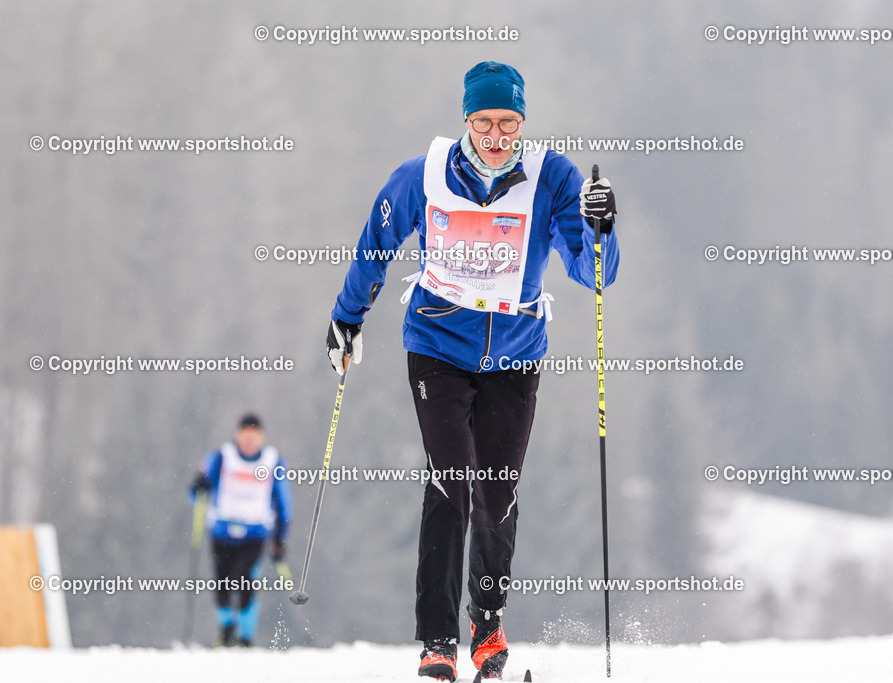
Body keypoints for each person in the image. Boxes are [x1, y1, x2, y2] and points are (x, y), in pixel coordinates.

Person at [327, 61, 620, 681]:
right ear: (465, 120)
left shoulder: (552, 177)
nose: (495, 135)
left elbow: (592, 272)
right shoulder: (424, 176)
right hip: (438, 345)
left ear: (522, 122)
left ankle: (486, 625)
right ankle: (437, 640)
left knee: (496, 490)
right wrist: (347, 317)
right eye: (483, 121)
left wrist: (602, 227)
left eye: (508, 122)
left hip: (515, 355)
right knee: (451, 480)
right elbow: (374, 244)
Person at [190, 414, 292, 647]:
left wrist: (280, 536)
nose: (248, 442)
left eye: (253, 437)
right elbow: (196, 494)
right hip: (221, 532)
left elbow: (283, 501)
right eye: (245, 436)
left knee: (243, 580)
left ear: (261, 438)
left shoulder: (272, 461)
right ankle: (227, 629)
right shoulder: (221, 458)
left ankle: (246, 637)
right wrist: (199, 485)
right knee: (222, 585)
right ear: (237, 435)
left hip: (254, 535)